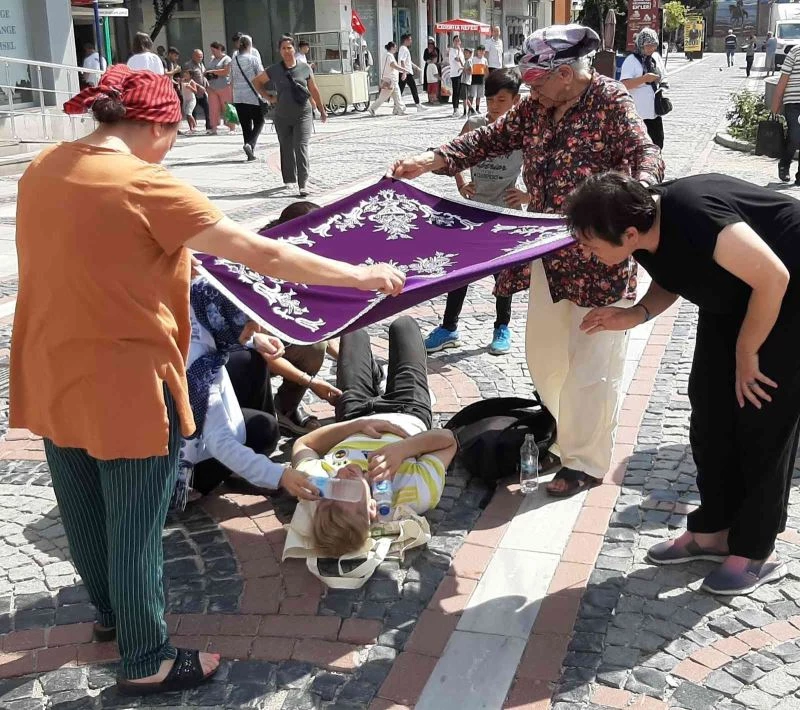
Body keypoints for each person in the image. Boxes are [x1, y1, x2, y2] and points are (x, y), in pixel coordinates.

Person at [11, 64, 404, 695]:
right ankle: (147, 657)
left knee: (82, 505)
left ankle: (111, 615)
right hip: (127, 380)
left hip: (50, 364)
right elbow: (263, 253)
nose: (173, 145)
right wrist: (361, 276)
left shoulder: (43, 167)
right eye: (176, 132)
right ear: (158, 124)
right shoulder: (147, 185)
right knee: (135, 523)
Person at [391, 25, 664, 499]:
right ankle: (563, 432)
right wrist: (430, 160)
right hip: (548, 254)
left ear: (564, 74)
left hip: (600, 258)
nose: (529, 91)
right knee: (545, 358)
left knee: (593, 366)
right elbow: (489, 138)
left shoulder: (610, 100)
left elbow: (645, 152)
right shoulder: (537, 106)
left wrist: (636, 192)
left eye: (536, 81)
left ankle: (584, 460)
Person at [565, 171, 800, 597]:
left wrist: (747, 352)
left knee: (761, 415)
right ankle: (713, 531)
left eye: (590, 243)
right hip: (737, 293)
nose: (584, 251)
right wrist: (634, 315)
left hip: (787, 289)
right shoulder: (639, 226)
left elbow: (773, 277)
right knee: (710, 408)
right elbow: (674, 271)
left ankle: (754, 550)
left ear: (628, 234)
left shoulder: (695, 214)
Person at [291, 317, 458, 558]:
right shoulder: (413, 493)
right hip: (407, 410)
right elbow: (449, 440)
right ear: (372, 508)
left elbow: (303, 443)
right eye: (346, 490)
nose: (341, 476)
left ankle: (374, 373)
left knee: (353, 331)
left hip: (354, 413)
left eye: (331, 488)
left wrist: (358, 424)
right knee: (404, 326)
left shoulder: (315, 485)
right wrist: (404, 449)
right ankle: (376, 374)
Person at [424, 68, 527, 357]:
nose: (494, 106)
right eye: (490, 100)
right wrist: (461, 183)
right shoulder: (475, 124)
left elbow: (543, 170)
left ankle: (502, 327)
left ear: (516, 100)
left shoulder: (523, 133)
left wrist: (527, 195)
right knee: (461, 271)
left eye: (501, 100)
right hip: (473, 212)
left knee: (502, 275)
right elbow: (452, 154)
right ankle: (449, 328)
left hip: (504, 213)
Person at [180, 277, 287, 499]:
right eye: (247, 319)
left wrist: (253, 339)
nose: (257, 327)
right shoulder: (198, 366)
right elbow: (219, 442)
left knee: (250, 359)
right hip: (174, 453)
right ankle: (192, 482)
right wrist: (281, 476)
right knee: (264, 429)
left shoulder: (194, 315)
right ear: (222, 315)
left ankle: (244, 466)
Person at [264, 35, 327, 197]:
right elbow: (257, 81)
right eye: (283, 48)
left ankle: (303, 183)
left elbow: (314, 89)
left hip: (303, 113)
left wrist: (321, 109)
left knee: (300, 146)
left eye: (289, 47)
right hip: (282, 115)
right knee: (286, 147)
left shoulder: (304, 68)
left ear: (294, 49)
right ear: (279, 51)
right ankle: (289, 179)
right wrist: (268, 97)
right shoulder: (274, 69)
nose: (287, 51)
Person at [620, 28, 666, 149]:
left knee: (658, 144)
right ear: (641, 45)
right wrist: (644, 79)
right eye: (648, 45)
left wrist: (662, 85)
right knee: (641, 147)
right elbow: (624, 85)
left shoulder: (655, 57)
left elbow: (663, 76)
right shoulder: (631, 60)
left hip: (654, 112)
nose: (652, 48)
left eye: (654, 45)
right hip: (638, 113)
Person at [231, 34, 268, 161]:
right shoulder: (253, 59)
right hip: (252, 96)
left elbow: (231, 79)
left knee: (245, 125)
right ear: (249, 45)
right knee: (259, 121)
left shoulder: (234, 60)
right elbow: (261, 76)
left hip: (238, 96)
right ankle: (250, 144)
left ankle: (250, 153)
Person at [771, 45, 800, 183]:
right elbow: (783, 78)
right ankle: (784, 163)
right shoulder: (796, 51)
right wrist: (775, 105)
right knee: (795, 136)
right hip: (793, 102)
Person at [369, 41, 406, 117]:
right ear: (392, 48)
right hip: (390, 79)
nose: (396, 49)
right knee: (387, 96)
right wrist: (402, 70)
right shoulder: (389, 55)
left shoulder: (386, 55)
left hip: (389, 79)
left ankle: (399, 109)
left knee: (396, 95)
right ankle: (372, 108)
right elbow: (393, 65)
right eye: (395, 48)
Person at [205, 42, 235, 134]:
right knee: (213, 108)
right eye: (211, 50)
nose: (212, 52)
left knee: (228, 107)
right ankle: (214, 128)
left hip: (225, 86)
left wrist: (213, 72)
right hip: (212, 87)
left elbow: (226, 71)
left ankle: (232, 128)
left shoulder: (227, 59)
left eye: (214, 50)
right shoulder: (212, 59)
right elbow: (207, 70)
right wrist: (207, 73)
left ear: (219, 49)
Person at [184, 49, 210, 132]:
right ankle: (193, 128)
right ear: (193, 56)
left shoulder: (201, 64)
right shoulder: (188, 65)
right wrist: (199, 86)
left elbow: (203, 76)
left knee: (207, 108)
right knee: (192, 110)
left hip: (202, 92)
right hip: (193, 91)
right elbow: (188, 79)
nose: (200, 58)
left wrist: (207, 85)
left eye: (201, 56)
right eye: (198, 56)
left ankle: (209, 127)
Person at [398, 34, 425, 110]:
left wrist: (416, 67)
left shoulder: (404, 49)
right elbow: (402, 61)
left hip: (406, 72)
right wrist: (404, 72)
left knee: (401, 90)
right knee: (411, 88)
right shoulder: (403, 49)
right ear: (406, 40)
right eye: (410, 39)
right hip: (406, 72)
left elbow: (408, 61)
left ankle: (397, 106)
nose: (411, 41)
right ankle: (418, 105)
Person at [468, 46, 489, 113]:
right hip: (474, 78)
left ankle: (477, 109)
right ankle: (470, 109)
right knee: (472, 95)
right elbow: (469, 68)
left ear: (484, 52)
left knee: (479, 95)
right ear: (477, 51)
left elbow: (486, 70)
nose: (481, 52)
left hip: (481, 79)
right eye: (480, 51)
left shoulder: (485, 60)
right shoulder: (473, 59)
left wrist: (487, 78)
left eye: (483, 51)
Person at [449, 35, 465, 116]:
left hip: (461, 73)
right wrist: (459, 51)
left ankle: (458, 107)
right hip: (455, 73)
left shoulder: (461, 51)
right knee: (455, 91)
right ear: (453, 42)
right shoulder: (452, 51)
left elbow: (463, 60)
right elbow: (457, 59)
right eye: (455, 41)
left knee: (459, 92)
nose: (457, 42)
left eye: (458, 41)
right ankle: (455, 109)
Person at [423, 37, 441, 103]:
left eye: (432, 43)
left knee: (436, 84)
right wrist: (428, 60)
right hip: (428, 66)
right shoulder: (426, 50)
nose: (430, 44)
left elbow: (439, 58)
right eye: (429, 43)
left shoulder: (437, 49)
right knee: (429, 83)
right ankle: (430, 99)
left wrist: (436, 62)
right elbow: (424, 58)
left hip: (436, 66)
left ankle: (436, 97)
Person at [460, 47, 474, 116]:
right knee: (465, 97)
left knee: (464, 98)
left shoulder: (469, 61)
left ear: (470, 54)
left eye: (466, 53)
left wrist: (463, 69)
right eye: (464, 53)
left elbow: (471, 71)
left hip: (466, 81)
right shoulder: (466, 61)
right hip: (465, 80)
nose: (465, 54)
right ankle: (471, 110)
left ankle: (465, 112)